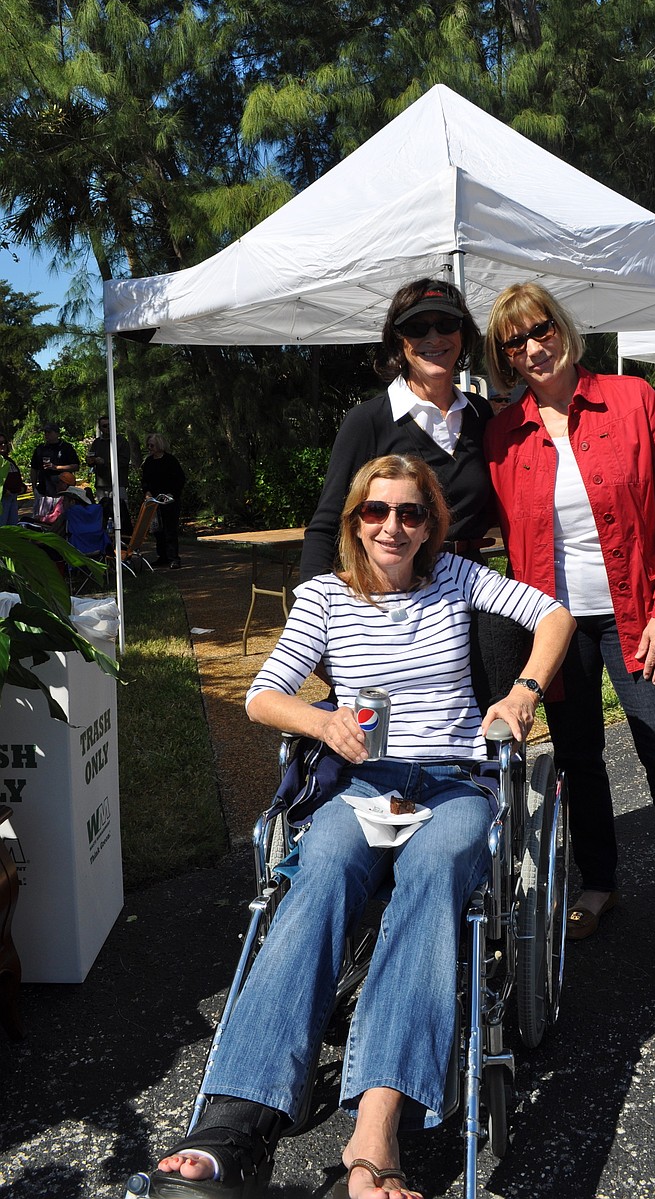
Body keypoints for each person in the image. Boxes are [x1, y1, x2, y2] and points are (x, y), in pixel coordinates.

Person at [145, 454, 573, 1199]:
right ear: (354, 520)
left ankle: (373, 1142)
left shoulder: (459, 578)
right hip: (365, 781)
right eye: (377, 511)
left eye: (411, 513)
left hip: (453, 780)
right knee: (318, 876)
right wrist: (322, 720)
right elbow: (260, 696)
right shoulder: (324, 597)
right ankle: (233, 1130)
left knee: (435, 877)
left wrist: (523, 692)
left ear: (431, 524)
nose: (394, 526)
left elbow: (555, 614)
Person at [483, 282, 655, 977]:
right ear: (506, 358)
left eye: (539, 328)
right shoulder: (504, 433)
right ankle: (599, 882)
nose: (533, 346)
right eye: (515, 341)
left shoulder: (632, 401)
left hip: (640, 615)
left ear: (562, 328)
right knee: (577, 757)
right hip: (557, 625)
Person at [300, 278, 518, 704]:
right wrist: (315, 628)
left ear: (464, 335)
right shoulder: (369, 421)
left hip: (471, 595)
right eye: (417, 328)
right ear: (399, 343)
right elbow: (326, 525)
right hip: (393, 605)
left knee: (490, 728)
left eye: (446, 324)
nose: (433, 337)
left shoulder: (479, 415)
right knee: (399, 732)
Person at [140, 433, 186, 569]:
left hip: (169, 500)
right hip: (154, 501)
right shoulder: (148, 462)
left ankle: (174, 557)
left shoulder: (170, 460)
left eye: (152, 445)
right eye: (148, 445)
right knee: (157, 530)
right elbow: (145, 481)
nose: (150, 448)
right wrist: (147, 492)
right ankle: (162, 556)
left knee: (170, 529)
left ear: (160, 445)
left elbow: (179, 479)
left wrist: (171, 494)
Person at [85, 414, 132, 531]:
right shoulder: (97, 443)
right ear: (100, 428)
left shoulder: (121, 441)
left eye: (110, 425)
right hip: (102, 483)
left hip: (118, 483)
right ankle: (105, 540)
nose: (108, 428)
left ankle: (124, 539)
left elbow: (124, 461)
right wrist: (91, 461)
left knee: (121, 512)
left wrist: (104, 462)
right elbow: (91, 459)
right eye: (105, 426)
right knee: (103, 513)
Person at [29, 421, 80, 501]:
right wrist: (34, 487)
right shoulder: (40, 449)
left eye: (49, 432)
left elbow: (75, 466)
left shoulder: (66, 447)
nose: (46, 434)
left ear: (57, 434)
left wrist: (56, 467)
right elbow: (34, 469)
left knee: (61, 512)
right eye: (45, 432)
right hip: (43, 489)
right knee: (44, 513)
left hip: (63, 490)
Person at [0, 434, 25, 526]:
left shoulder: (9, 461)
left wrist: (22, 487)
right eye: (0, 443)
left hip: (13, 497)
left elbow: (16, 476)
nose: (3, 445)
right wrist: (4, 491)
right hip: (3, 499)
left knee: (12, 526)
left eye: (4, 443)